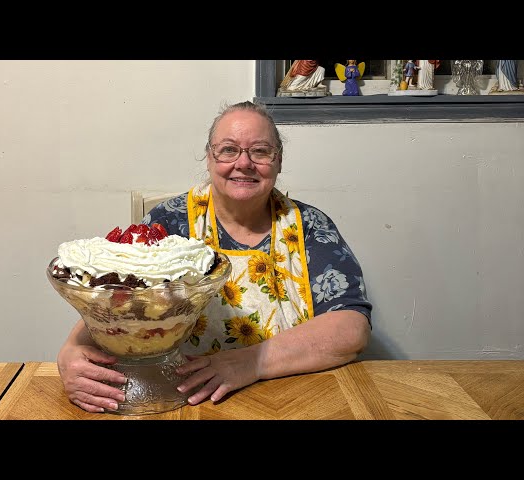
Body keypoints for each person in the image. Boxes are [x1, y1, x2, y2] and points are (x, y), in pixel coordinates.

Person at [56, 100, 372, 413]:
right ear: (209, 157)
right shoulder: (170, 222)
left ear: (278, 161)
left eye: (260, 151)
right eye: (229, 149)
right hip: (183, 398)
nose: (244, 163)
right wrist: (72, 351)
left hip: (294, 399)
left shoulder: (311, 227)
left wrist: (251, 363)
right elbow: (113, 300)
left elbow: (350, 329)